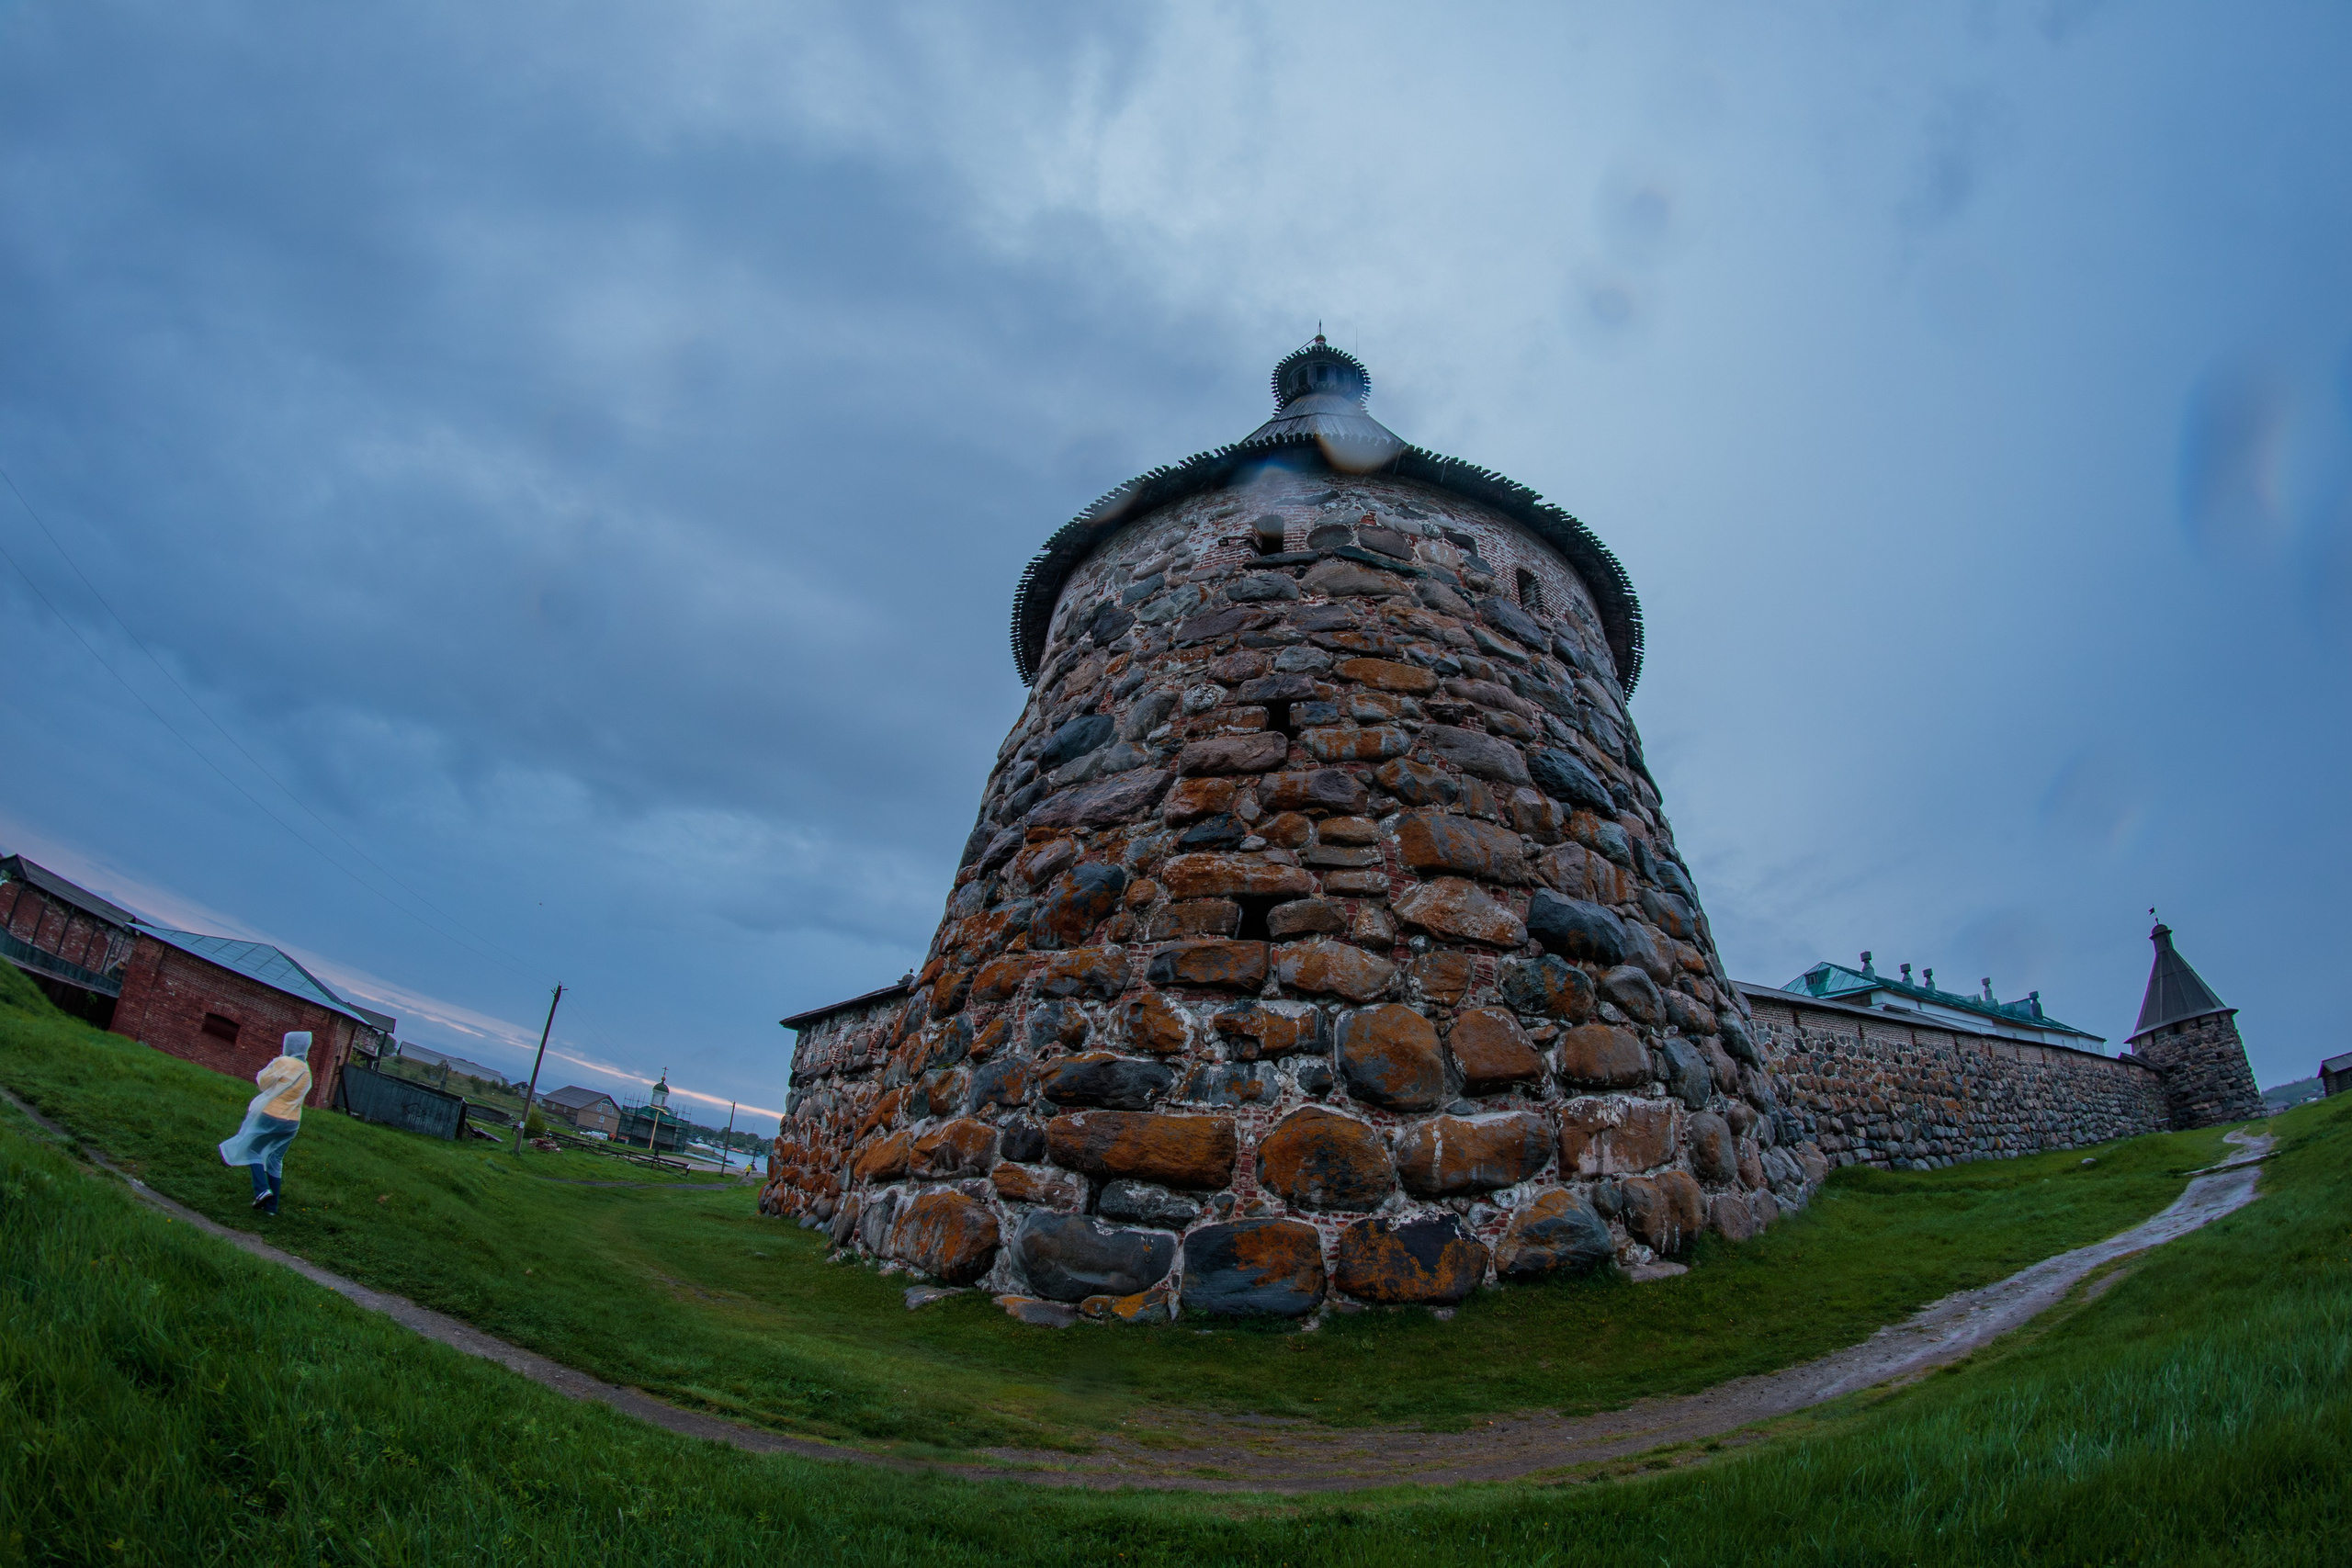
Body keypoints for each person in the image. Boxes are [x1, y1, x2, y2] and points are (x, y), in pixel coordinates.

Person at [218, 1032, 314, 1216]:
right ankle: (271, 1208)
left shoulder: (284, 1062)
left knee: (252, 1150)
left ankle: (262, 1190)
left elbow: (263, 1083)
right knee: (275, 1160)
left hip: (271, 1116)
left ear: (289, 1045)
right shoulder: (306, 1071)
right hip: (292, 1122)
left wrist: (274, 1067)